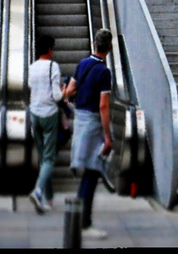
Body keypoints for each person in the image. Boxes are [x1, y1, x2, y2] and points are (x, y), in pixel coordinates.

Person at [65, 28, 114, 241]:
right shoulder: (104, 72)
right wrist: (108, 136)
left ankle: (80, 219)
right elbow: (103, 106)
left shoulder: (83, 63)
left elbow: (69, 91)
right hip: (93, 123)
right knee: (92, 173)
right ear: (110, 48)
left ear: (95, 44)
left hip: (80, 120)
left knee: (90, 173)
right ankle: (84, 223)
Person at [27, 33, 63, 213]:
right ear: (49, 50)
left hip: (34, 113)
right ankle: (38, 191)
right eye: (53, 48)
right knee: (49, 159)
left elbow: (30, 87)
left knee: (43, 159)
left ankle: (48, 199)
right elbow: (56, 96)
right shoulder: (53, 67)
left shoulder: (32, 67)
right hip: (49, 115)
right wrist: (65, 92)